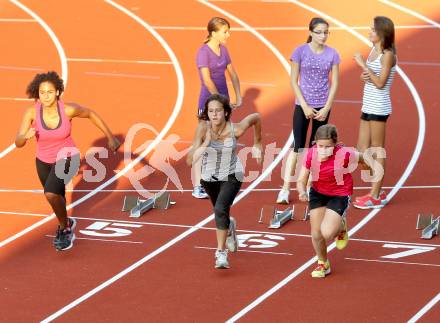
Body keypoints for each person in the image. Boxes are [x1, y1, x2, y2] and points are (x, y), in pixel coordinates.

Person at [15, 71, 120, 251]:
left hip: (68, 157)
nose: (45, 96)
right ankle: (67, 221)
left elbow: (91, 114)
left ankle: (64, 229)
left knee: (50, 193)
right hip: (43, 161)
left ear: (57, 92)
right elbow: (18, 142)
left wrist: (110, 137)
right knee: (57, 196)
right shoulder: (32, 112)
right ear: (37, 93)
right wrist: (25, 136)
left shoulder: (68, 110)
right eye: (42, 92)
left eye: (49, 92)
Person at [186, 94, 262, 269]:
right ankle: (229, 226)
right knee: (220, 211)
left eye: (218, 111)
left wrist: (258, 143)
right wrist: (205, 143)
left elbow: (255, 118)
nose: (214, 115)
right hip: (209, 178)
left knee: (220, 209)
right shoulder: (203, 129)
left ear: (226, 112)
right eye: (210, 111)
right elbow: (190, 160)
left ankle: (221, 253)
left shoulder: (236, 130)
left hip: (232, 174)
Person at [276, 17, 340, 205]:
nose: (323, 36)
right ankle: (285, 188)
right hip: (302, 106)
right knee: (298, 147)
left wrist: (326, 107)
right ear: (311, 32)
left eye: (326, 32)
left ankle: (312, 187)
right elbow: (293, 80)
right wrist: (303, 105)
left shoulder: (333, 54)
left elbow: (335, 83)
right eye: (319, 32)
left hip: (323, 106)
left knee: (318, 149)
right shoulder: (300, 51)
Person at [296, 124, 360, 278]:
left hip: (340, 193)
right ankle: (323, 263)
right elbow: (301, 179)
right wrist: (302, 191)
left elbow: (363, 156)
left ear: (335, 144)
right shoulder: (311, 154)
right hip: (318, 192)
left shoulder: (344, 154)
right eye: (320, 146)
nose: (323, 150)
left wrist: (370, 168)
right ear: (315, 143)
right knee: (316, 234)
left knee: (327, 233)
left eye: (328, 147)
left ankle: (341, 226)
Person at [192, 16, 242, 199]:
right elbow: (207, 81)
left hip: (224, 103)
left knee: (223, 142)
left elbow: (233, 74)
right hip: (209, 103)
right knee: (202, 142)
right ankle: (197, 185)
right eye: (225, 32)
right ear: (213, 33)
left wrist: (238, 95)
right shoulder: (203, 52)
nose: (228, 35)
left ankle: (219, 180)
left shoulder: (224, 50)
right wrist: (220, 102)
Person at [352, 16, 396, 209]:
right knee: (360, 153)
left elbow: (380, 83)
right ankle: (377, 186)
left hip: (379, 106)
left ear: (382, 33)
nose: (369, 31)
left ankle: (375, 195)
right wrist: (365, 75)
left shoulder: (387, 55)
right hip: (367, 105)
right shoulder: (373, 51)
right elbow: (373, 78)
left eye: (372, 29)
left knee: (378, 149)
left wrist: (363, 66)